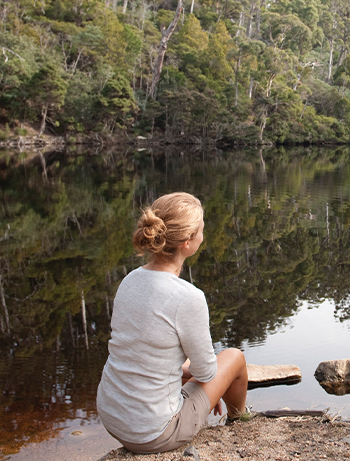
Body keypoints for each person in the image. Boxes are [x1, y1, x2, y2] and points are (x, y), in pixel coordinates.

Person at [97, 192, 248, 453]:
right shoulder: (188, 297)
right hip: (152, 433)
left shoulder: (130, 280)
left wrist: (192, 378)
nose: (204, 232)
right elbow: (207, 374)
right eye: (202, 228)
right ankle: (239, 421)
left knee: (184, 362)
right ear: (187, 243)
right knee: (234, 358)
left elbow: (144, 354)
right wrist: (206, 387)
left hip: (111, 415)